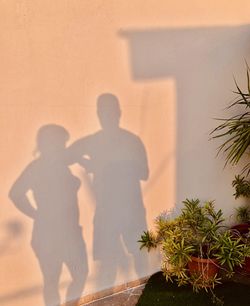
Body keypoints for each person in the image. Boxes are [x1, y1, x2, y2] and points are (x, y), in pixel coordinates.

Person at [69, 93, 149, 287]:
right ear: (98, 114)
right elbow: (68, 154)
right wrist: (89, 163)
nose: (107, 116)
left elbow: (144, 173)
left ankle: (146, 294)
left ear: (119, 113)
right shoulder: (93, 141)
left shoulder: (132, 141)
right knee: (108, 265)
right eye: (103, 112)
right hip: (107, 212)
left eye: (111, 111)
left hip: (132, 210)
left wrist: (113, 166)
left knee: (140, 259)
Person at [9, 124, 88, 306]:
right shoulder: (38, 167)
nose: (63, 146)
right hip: (49, 233)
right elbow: (15, 193)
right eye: (61, 142)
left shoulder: (59, 164)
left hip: (69, 232)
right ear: (48, 143)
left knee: (79, 273)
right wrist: (36, 214)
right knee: (53, 280)